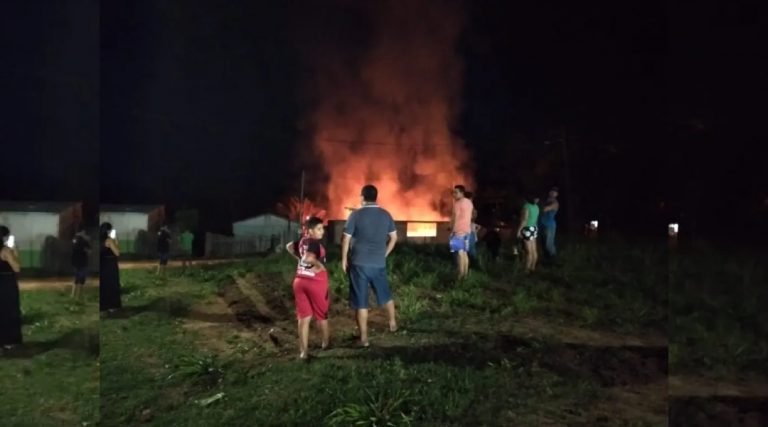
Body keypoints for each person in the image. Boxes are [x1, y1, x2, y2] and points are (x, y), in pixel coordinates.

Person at [341, 184, 398, 347]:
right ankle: (393, 323)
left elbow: (345, 239)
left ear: (362, 197)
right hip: (379, 263)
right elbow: (394, 238)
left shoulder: (355, 215)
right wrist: (384, 254)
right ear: (376, 197)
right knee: (385, 294)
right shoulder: (386, 215)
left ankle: (364, 339)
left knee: (361, 302)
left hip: (359, 264)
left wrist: (344, 259)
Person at [285, 217, 330, 360]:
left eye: (322, 228)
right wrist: (319, 265)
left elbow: (289, 247)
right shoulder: (314, 243)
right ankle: (326, 343)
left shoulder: (303, 241)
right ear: (310, 231)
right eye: (319, 229)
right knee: (322, 315)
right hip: (315, 282)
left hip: (299, 281)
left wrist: (300, 259)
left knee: (304, 318)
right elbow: (309, 258)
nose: (322, 231)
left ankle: (303, 352)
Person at [0, 225, 22, 349]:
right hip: (6, 283)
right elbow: (17, 267)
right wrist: (15, 252)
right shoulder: (5, 250)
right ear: (4, 237)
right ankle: (8, 341)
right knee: (8, 311)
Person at [450, 185, 474, 280]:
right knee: (464, 253)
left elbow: (454, 218)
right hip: (467, 231)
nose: (454, 194)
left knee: (459, 253)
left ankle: (460, 275)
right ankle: (465, 274)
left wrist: (452, 230)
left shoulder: (458, 203)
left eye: (456, 192)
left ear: (462, 193)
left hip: (458, 231)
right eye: (453, 192)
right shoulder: (469, 202)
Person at [100, 222, 122, 312]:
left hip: (103, 264)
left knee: (104, 285)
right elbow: (117, 252)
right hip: (110, 264)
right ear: (108, 231)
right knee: (112, 285)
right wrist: (115, 239)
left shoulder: (100, 240)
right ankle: (112, 306)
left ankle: (103, 305)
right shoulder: (109, 240)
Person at [517, 195, 540, 273]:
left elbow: (524, 220)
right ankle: (532, 267)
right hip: (534, 227)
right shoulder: (536, 207)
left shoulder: (526, 206)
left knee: (528, 251)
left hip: (527, 229)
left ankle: (526, 270)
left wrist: (519, 230)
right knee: (534, 250)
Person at [540, 187, 560, 260]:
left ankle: (553, 258)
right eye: (551, 191)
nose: (552, 193)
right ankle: (547, 259)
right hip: (542, 224)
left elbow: (544, 209)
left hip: (549, 225)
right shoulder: (546, 201)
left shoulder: (555, 203)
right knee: (543, 244)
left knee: (549, 244)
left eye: (554, 192)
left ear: (556, 194)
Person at [71, 229, 91, 300]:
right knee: (81, 279)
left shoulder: (75, 240)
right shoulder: (84, 241)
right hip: (82, 262)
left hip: (76, 262)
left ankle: (74, 295)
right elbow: (88, 251)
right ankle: (78, 296)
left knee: (76, 279)